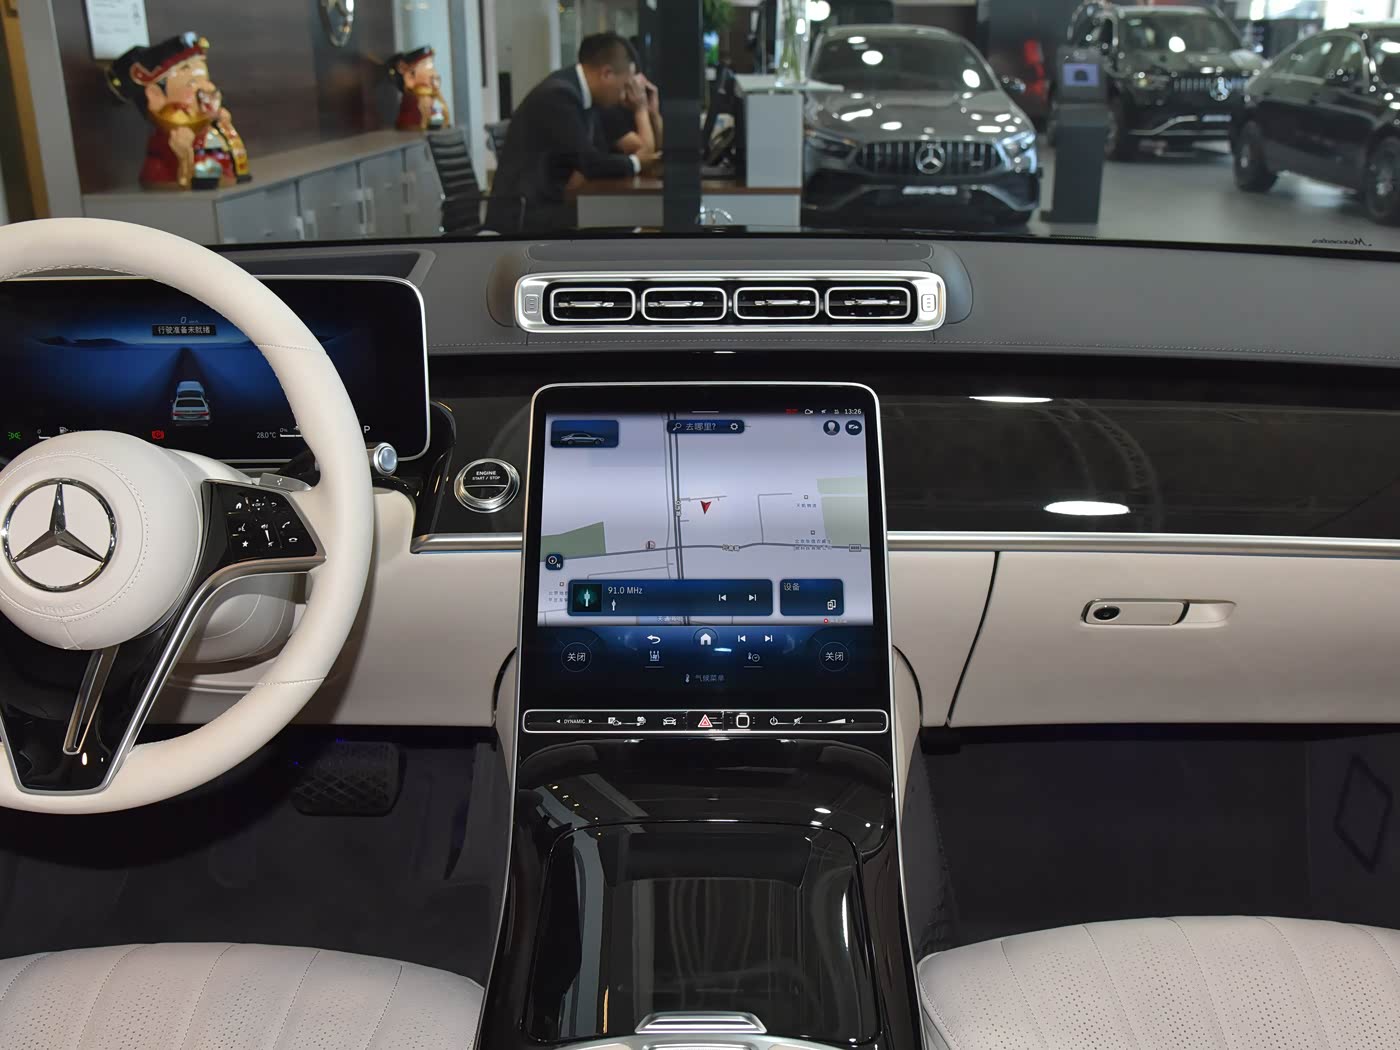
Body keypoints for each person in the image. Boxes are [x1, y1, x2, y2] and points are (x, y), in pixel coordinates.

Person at [487, 33, 661, 233]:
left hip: (548, 202)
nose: (624, 95)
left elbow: (596, 155)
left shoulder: (580, 94)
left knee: (625, 218)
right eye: (623, 86)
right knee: (625, 221)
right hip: (524, 213)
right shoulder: (559, 96)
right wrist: (637, 162)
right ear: (606, 74)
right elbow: (590, 163)